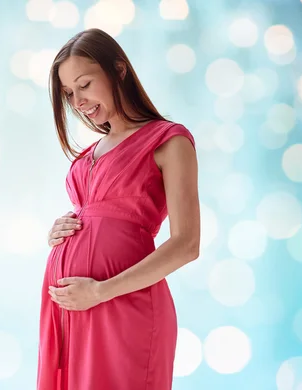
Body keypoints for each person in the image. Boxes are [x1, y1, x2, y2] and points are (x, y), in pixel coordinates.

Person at [37, 28, 201, 390]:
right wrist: (63, 229)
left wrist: (100, 291)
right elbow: (99, 215)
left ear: (119, 70)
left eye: (85, 84)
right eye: (69, 93)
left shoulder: (168, 140)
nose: (78, 102)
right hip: (72, 312)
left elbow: (187, 244)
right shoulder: (86, 156)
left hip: (123, 306)